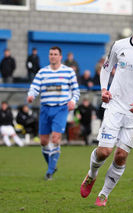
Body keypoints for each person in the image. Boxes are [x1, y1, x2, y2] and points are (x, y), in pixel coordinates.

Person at [80, 10, 133, 207]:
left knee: (121, 155)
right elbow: (106, 68)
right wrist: (103, 88)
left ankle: (103, 194)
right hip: (115, 105)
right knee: (104, 152)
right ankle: (91, 175)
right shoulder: (119, 45)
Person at [27, 46, 80, 180]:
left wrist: (73, 101)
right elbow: (34, 87)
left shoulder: (68, 72)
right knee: (44, 141)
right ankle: (52, 165)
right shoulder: (42, 72)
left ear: (60, 57)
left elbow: (76, 91)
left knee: (55, 138)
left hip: (61, 108)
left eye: (55, 54)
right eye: (51, 54)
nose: (53, 56)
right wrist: (31, 95)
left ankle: (50, 171)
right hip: (45, 108)